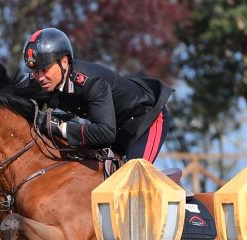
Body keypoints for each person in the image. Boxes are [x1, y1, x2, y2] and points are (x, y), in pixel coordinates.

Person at [23, 27, 173, 162]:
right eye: (35, 71)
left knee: (134, 177)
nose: (40, 77)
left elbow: (106, 133)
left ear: (63, 62)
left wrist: (61, 127)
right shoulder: (43, 82)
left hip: (147, 119)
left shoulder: (91, 82)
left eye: (45, 69)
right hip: (116, 129)